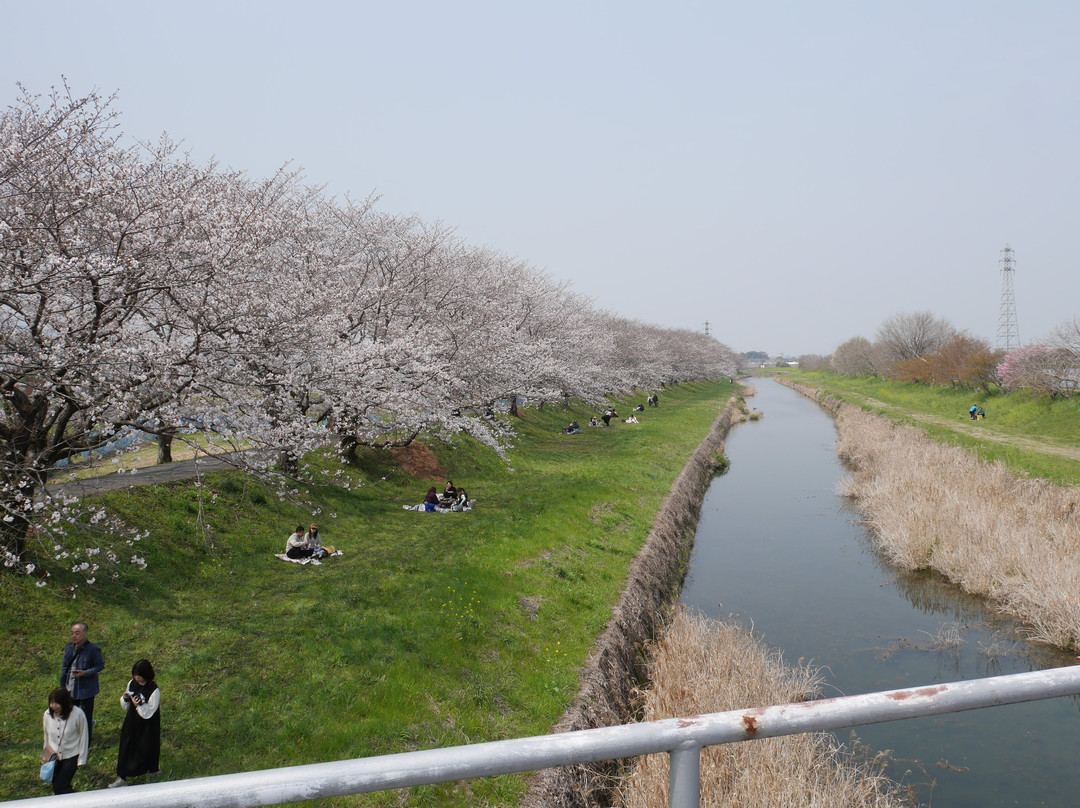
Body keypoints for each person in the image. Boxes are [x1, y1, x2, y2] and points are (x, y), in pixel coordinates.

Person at [110, 659, 161, 788]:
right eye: (135, 675)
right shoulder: (132, 684)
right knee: (126, 746)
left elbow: (150, 711)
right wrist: (125, 699)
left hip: (148, 725)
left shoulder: (153, 690)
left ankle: (153, 771)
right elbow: (126, 705)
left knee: (148, 747)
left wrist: (139, 705)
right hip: (132, 721)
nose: (137, 678)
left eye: (140, 675)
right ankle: (122, 777)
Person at [60, 622, 104, 745]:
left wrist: (85, 673)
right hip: (70, 688)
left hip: (86, 689)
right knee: (70, 715)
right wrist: (62, 685)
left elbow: (100, 666)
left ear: (85, 634)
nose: (73, 636)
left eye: (77, 633)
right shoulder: (69, 647)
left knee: (85, 717)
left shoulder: (93, 649)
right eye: (72, 633)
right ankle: (73, 740)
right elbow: (65, 667)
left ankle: (86, 743)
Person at [42, 687, 89, 795]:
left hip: (71, 755)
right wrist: (45, 757)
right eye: (52, 703)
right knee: (57, 786)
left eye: (57, 703)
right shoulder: (47, 715)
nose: (53, 706)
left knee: (61, 786)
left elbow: (84, 736)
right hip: (54, 757)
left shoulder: (78, 714)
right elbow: (46, 736)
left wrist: (82, 759)